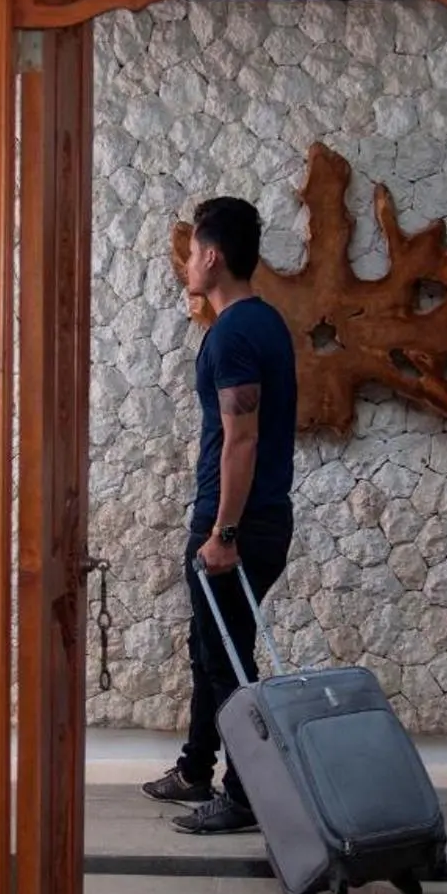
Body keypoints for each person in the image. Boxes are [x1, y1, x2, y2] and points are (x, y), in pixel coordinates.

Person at [143, 195, 299, 835]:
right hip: (250, 519)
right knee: (208, 648)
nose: (186, 266)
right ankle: (195, 767)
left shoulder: (232, 334)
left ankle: (243, 795)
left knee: (227, 663)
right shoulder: (264, 323)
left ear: (212, 255)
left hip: (237, 525)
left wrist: (223, 533)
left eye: (190, 254)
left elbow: (242, 438)